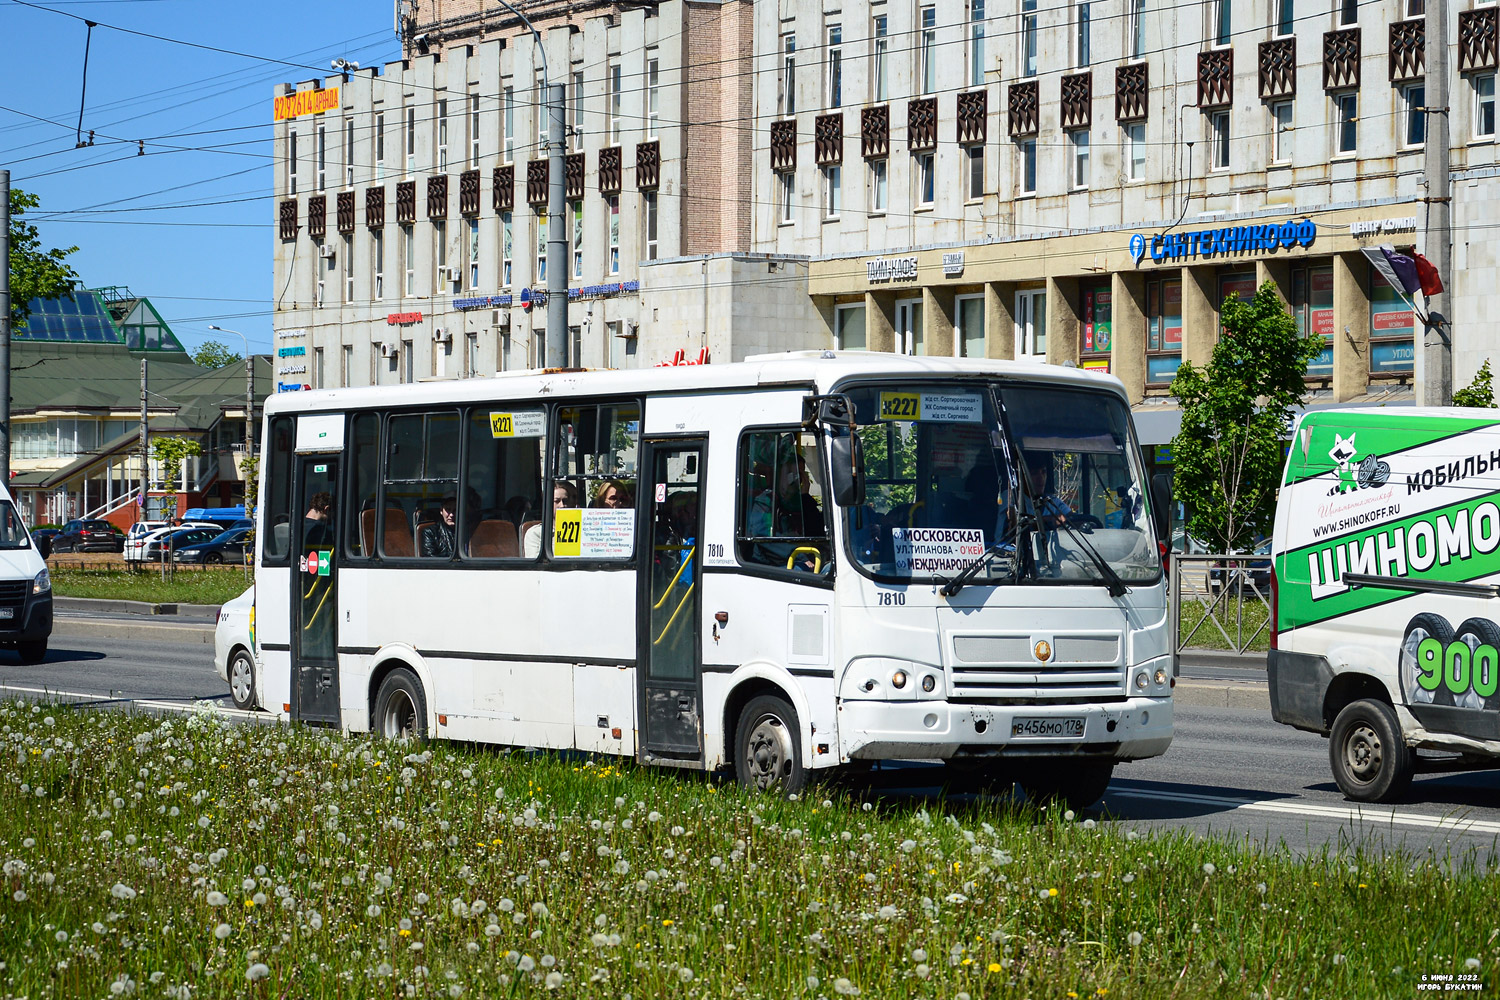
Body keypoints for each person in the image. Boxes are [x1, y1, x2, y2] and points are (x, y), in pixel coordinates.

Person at [748, 454, 825, 570]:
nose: (798, 478)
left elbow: (815, 529)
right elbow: (762, 535)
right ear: (781, 475)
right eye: (793, 474)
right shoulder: (767, 501)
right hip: (771, 563)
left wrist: (805, 497)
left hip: (798, 558)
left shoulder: (794, 502)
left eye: (801, 473)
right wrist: (799, 555)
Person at [524, 480, 579, 557]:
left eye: (565, 501)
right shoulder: (537, 533)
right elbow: (536, 566)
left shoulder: (583, 530)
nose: (562, 505)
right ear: (547, 503)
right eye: (556, 501)